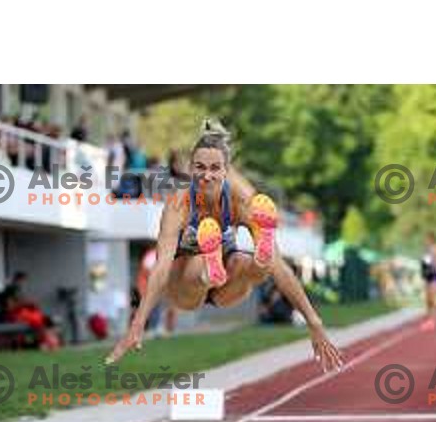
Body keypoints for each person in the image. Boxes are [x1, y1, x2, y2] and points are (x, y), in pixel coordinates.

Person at [106, 119, 344, 371]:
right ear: (190, 169)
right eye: (199, 167)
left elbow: (281, 269)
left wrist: (314, 321)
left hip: (227, 284)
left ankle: (231, 264)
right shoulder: (179, 205)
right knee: (207, 264)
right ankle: (210, 268)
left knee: (256, 262)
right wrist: (138, 322)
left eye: (214, 168)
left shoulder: (242, 204)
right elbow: (162, 267)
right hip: (185, 283)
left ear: (224, 171)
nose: (206, 175)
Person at [0, 272, 61, 350]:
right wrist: (24, 304)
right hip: (13, 315)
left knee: (43, 318)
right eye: (22, 281)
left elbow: (22, 303)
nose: (23, 283)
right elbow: (10, 307)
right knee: (37, 320)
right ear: (17, 280)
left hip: (23, 313)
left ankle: (47, 342)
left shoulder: (18, 290)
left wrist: (31, 305)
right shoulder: (10, 290)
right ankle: (45, 343)